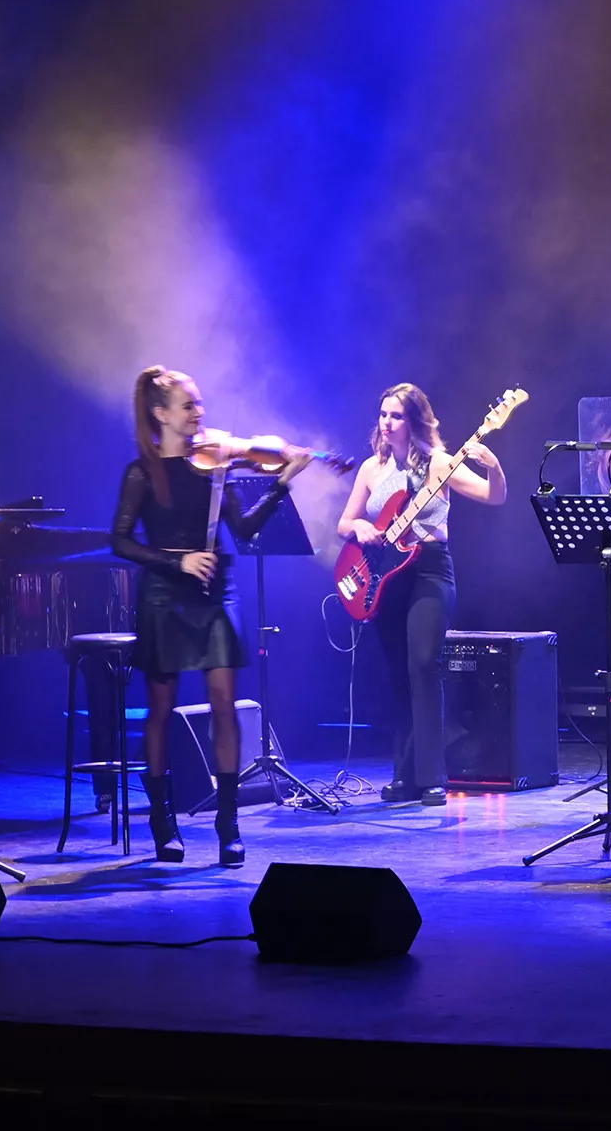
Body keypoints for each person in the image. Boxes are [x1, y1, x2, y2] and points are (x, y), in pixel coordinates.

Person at [111, 366, 308, 865]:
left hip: (215, 592)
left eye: (199, 404)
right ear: (161, 414)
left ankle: (228, 824)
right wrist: (176, 559)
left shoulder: (214, 464)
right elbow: (120, 540)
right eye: (189, 406)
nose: (200, 413)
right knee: (161, 709)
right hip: (163, 594)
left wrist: (283, 482)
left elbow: (243, 530)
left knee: (224, 703)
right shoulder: (141, 473)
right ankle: (164, 822)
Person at [337, 383, 507, 806]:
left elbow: (493, 496)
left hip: (429, 572)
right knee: (399, 674)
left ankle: (433, 776)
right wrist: (360, 528)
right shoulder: (370, 470)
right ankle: (404, 775)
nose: (387, 423)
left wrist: (495, 468)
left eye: (396, 415)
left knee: (423, 665)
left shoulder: (438, 464)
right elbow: (345, 523)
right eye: (383, 415)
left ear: (414, 421)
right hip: (384, 577)